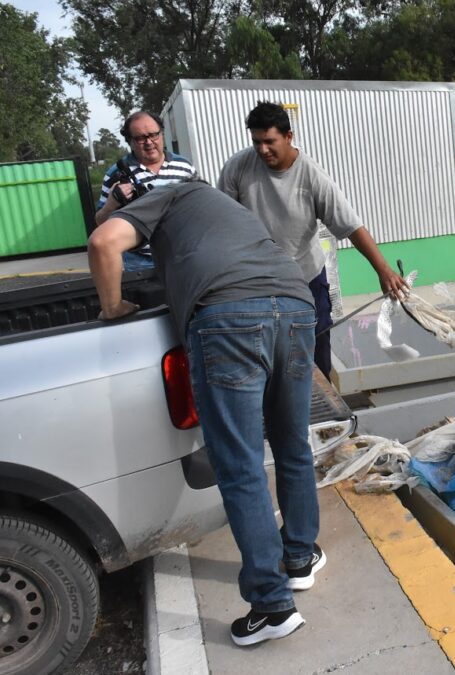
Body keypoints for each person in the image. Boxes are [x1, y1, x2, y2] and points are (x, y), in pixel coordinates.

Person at [88, 179, 324, 647]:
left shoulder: (167, 196)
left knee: (240, 468)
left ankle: (272, 606)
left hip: (230, 317)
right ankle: (299, 557)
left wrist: (113, 308)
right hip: (295, 306)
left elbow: (103, 240)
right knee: (293, 443)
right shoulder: (219, 208)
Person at [217, 101, 408, 378]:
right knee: (266, 357)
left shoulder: (312, 176)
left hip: (304, 280)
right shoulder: (238, 167)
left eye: (269, 141)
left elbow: (351, 225)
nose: (262, 150)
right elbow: (221, 221)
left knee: (316, 354)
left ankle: (324, 413)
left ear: (288, 136)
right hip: (255, 284)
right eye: (256, 142)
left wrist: (384, 270)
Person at [94, 110, 198, 271]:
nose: (149, 142)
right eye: (140, 138)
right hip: (139, 262)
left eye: (153, 135)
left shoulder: (184, 167)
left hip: (182, 255)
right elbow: (100, 223)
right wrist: (111, 204)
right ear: (130, 141)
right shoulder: (116, 174)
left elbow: (200, 209)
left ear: (162, 134)